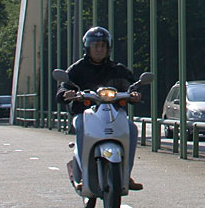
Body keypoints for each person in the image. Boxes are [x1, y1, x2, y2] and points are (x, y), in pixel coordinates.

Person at [56, 26, 143, 191]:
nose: (99, 49)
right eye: (95, 45)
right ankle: (81, 174)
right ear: (87, 47)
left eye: (102, 45)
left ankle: (125, 174)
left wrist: (135, 94)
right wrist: (66, 93)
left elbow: (132, 86)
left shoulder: (118, 69)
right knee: (81, 127)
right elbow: (62, 87)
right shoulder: (77, 69)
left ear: (108, 48)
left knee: (131, 129)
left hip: (114, 113)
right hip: (85, 113)